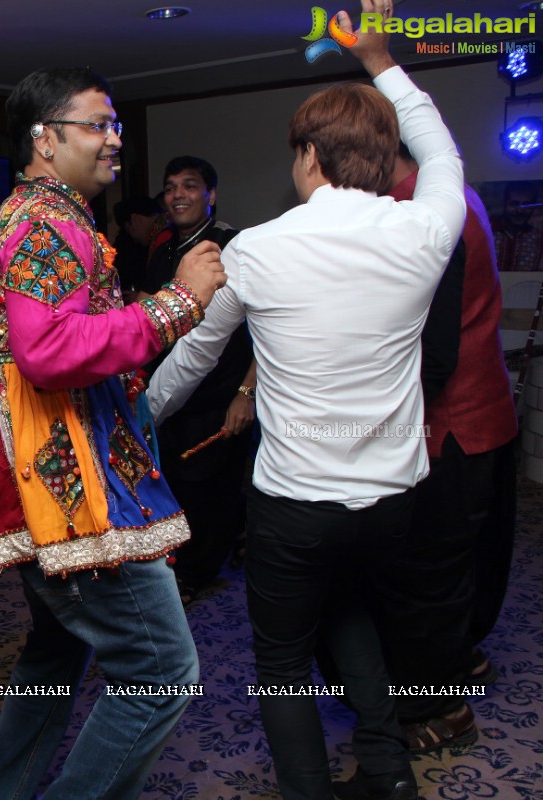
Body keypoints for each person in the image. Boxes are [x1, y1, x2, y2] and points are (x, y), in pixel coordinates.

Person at [147, 3, 466, 798]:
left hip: (295, 506)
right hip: (392, 499)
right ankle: (389, 776)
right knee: (353, 615)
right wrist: (380, 60)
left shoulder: (259, 248)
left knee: (284, 663)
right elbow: (441, 147)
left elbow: (194, 355)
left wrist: (136, 417)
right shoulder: (428, 231)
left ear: (311, 158)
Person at [0, 67, 225, 799]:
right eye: (97, 125)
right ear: (45, 137)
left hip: (48, 475)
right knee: (162, 673)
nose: (114, 140)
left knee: (56, 648)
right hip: (65, 489)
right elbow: (47, 354)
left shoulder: (32, 215)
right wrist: (177, 305)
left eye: (116, 126)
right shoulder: (44, 221)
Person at [371, 146, 517, 754]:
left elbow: (431, 351)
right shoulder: (456, 194)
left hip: (447, 423)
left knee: (426, 573)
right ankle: (462, 659)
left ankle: (440, 709)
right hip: (484, 411)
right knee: (463, 558)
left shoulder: (419, 214)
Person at [142, 156, 255, 602]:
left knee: (211, 491)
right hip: (171, 394)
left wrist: (245, 393)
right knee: (173, 483)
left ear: (211, 195)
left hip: (219, 394)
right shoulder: (165, 247)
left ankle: (196, 574)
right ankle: (178, 568)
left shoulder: (231, 247)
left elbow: (262, 330)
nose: (178, 195)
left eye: (190, 186)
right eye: (170, 187)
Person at [112, 193, 164, 303]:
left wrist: (142, 298)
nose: (134, 238)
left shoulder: (164, 237)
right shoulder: (165, 229)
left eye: (129, 229)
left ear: (134, 219)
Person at [492, 180, 542, 271]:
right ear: (505, 204)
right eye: (514, 204)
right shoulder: (487, 233)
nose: (519, 210)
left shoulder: (538, 238)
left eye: (526, 205)